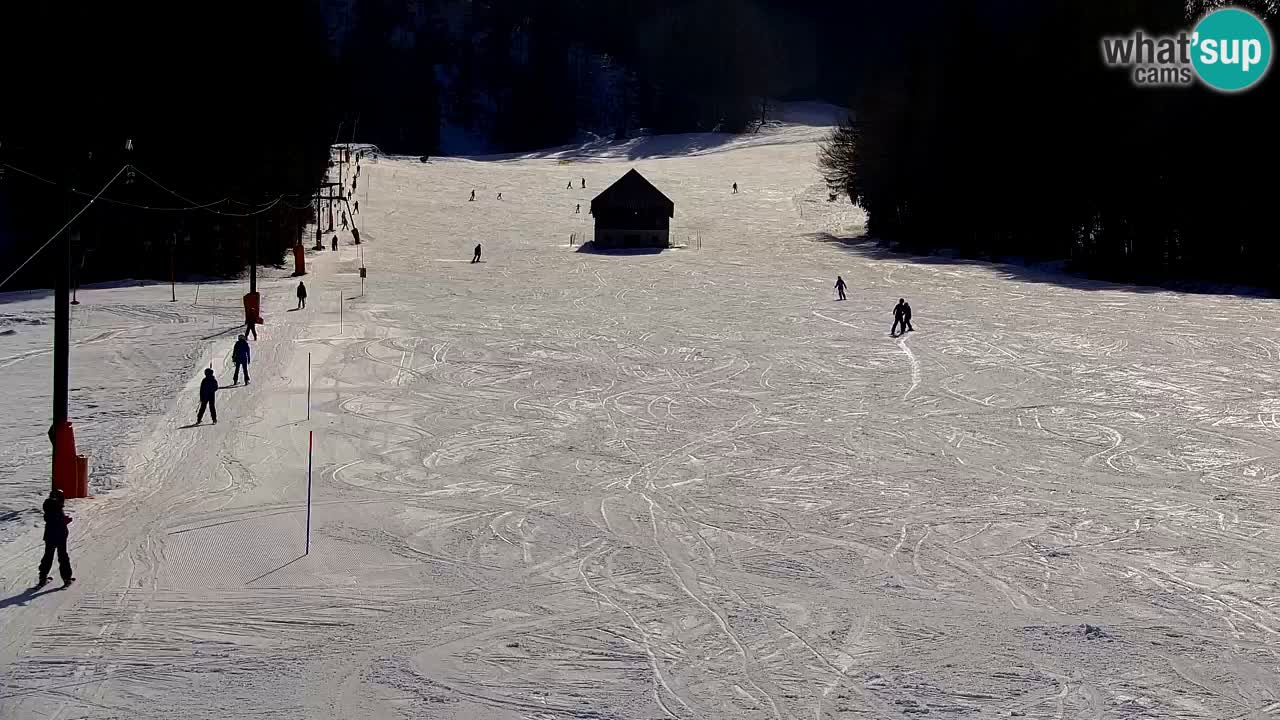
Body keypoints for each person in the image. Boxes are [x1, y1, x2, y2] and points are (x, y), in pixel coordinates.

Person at [37, 488, 74, 587]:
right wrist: (65, 520)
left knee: (48, 556)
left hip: (49, 534)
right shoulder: (57, 507)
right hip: (60, 534)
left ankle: (43, 577)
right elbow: (58, 521)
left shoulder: (48, 506)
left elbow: (50, 519)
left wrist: (63, 520)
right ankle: (67, 578)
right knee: (62, 556)